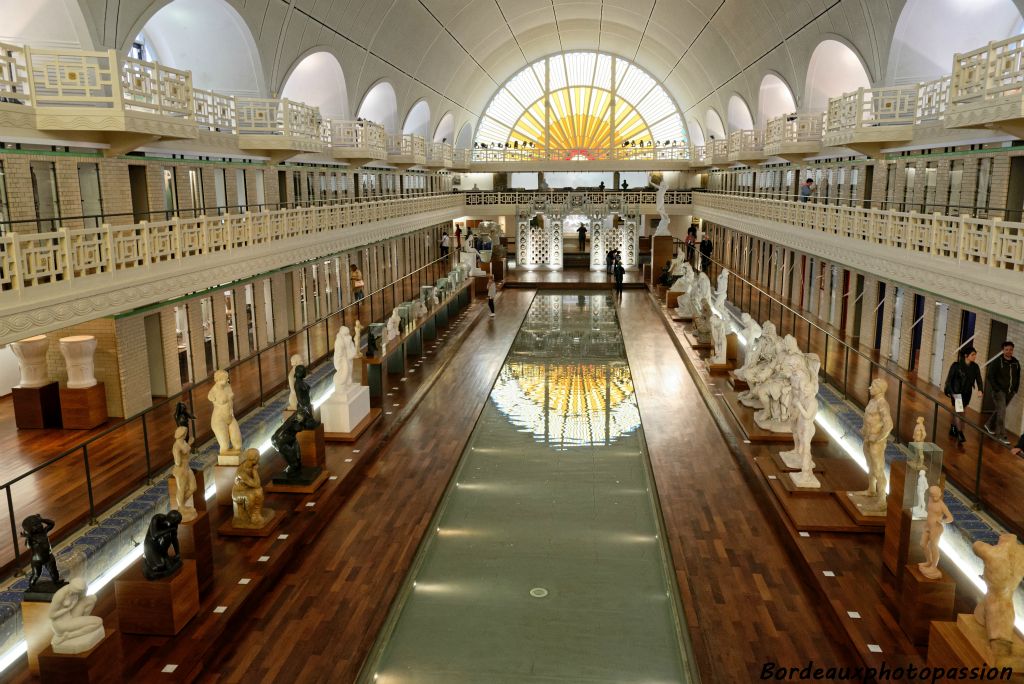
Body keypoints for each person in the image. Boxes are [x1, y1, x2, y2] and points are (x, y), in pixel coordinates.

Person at [944, 346, 984, 446]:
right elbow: (949, 380)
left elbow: (979, 379)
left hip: (967, 393)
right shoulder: (956, 366)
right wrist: (951, 392)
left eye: (975, 355)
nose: (975, 357)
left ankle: (953, 428)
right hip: (956, 392)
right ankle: (960, 433)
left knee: (961, 412)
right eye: (973, 355)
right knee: (959, 411)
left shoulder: (975, 367)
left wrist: (980, 389)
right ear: (966, 355)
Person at [985, 341, 1020, 445]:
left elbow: (1018, 377)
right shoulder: (997, 362)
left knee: (1000, 410)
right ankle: (1001, 435)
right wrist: (996, 389)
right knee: (1002, 412)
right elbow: (990, 376)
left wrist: (1015, 389)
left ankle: (989, 424)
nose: (1009, 351)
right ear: (1003, 350)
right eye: (1007, 349)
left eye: (1011, 349)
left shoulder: (1016, 363)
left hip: (1010, 392)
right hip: (999, 391)